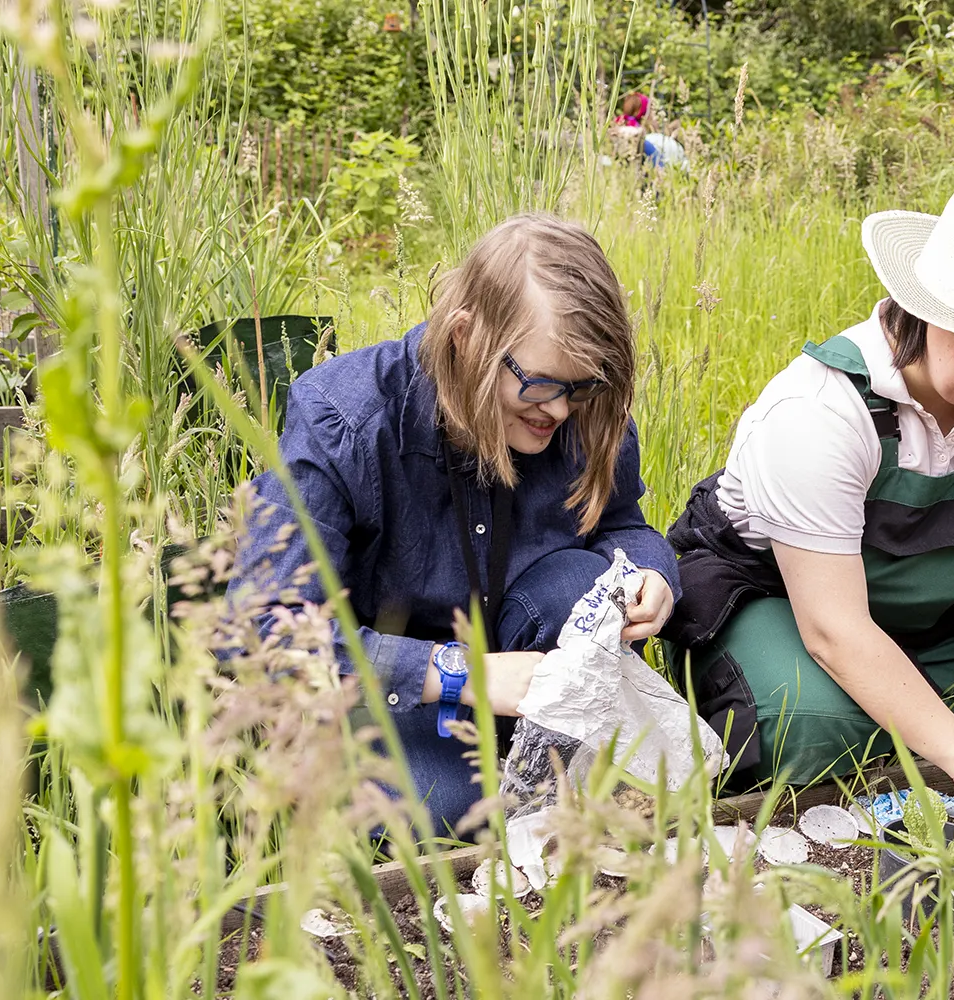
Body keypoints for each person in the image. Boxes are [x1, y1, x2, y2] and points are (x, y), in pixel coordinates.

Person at [667, 177, 954, 857]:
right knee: (816, 730)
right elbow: (833, 628)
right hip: (781, 604)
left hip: (929, 619)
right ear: (927, 308)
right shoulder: (817, 411)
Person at [229, 213, 677, 836]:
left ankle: (546, 773)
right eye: (541, 384)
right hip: (391, 689)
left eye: (579, 388)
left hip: (527, 671)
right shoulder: (344, 419)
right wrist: (462, 672)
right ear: (466, 338)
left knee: (580, 581)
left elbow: (621, 523)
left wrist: (653, 571)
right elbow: (264, 626)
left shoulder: (582, 408)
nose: (559, 410)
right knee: (450, 814)